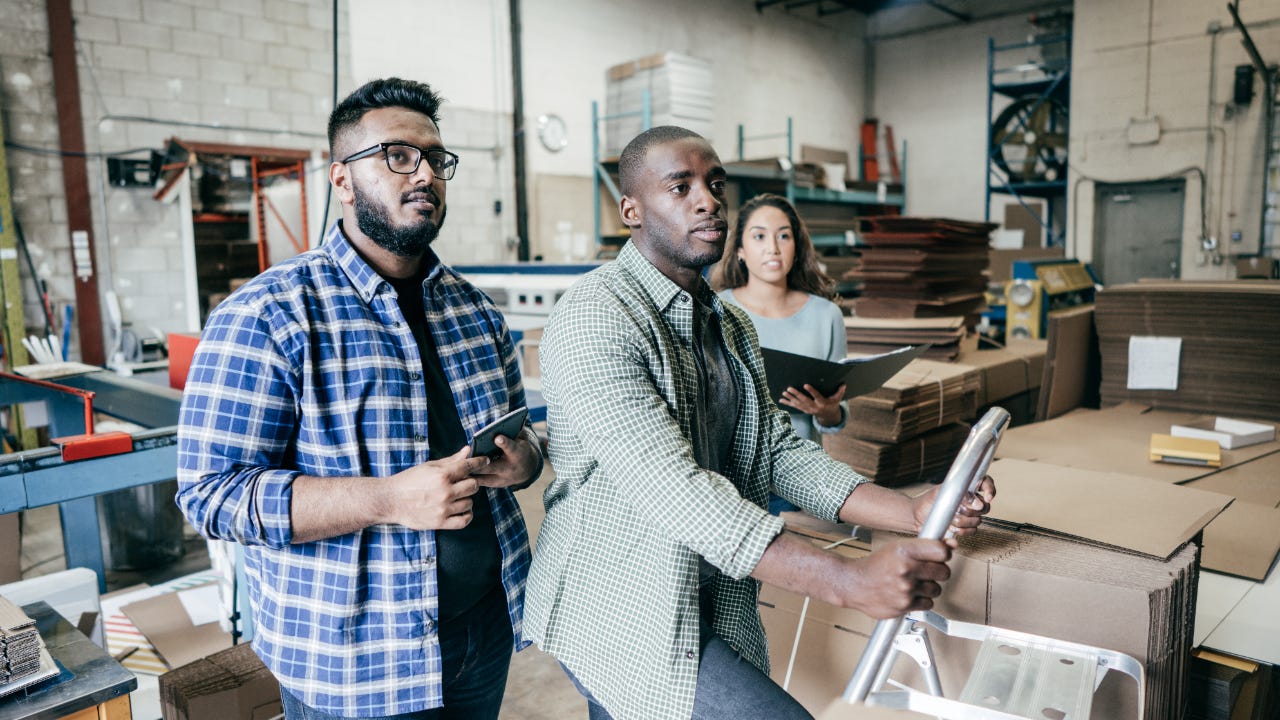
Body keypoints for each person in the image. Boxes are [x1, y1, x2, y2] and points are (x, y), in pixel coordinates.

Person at [523, 126, 995, 720]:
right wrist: (847, 581)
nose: (708, 199)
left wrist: (908, 511)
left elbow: (774, 451)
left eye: (715, 183)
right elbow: (674, 491)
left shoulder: (729, 324)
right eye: (681, 186)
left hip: (701, 588)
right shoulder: (598, 317)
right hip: (621, 602)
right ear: (631, 210)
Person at [175, 77, 543, 720]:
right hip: (356, 667)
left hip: (483, 635)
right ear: (341, 180)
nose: (424, 173)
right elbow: (210, 495)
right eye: (397, 156)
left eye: (435, 158)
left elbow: (524, 442)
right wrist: (388, 500)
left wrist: (525, 464)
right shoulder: (270, 314)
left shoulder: (475, 312)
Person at [715, 193, 847, 513]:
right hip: (730, 482)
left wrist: (827, 411)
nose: (773, 248)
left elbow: (838, 413)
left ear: (796, 247)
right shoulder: (716, 309)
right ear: (741, 251)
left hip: (800, 482)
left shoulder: (826, 315)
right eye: (759, 236)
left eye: (783, 236)